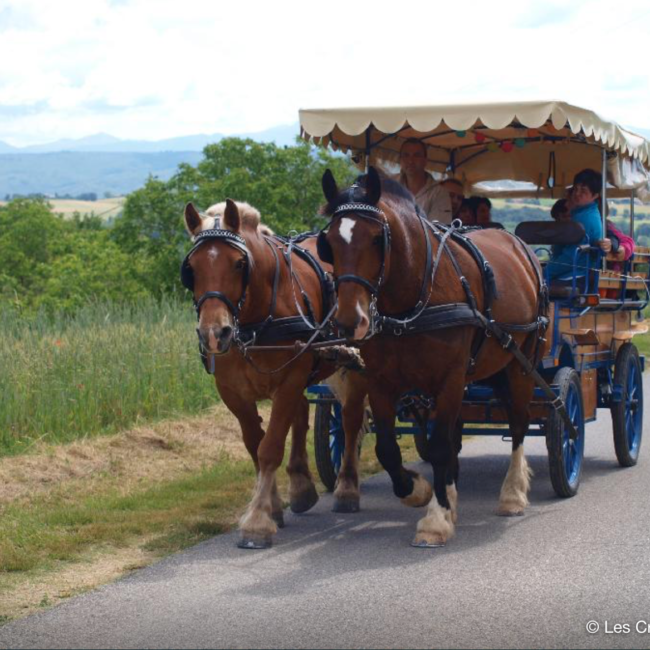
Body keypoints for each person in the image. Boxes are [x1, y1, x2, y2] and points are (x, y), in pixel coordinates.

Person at [546, 168, 603, 281]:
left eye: (583, 191)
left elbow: (571, 257)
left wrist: (545, 272)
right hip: (572, 269)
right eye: (576, 189)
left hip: (576, 272)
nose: (577, 194)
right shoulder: (580, 213)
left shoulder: (585, 218)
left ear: (595, 195)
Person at [393, 139, 452, 223]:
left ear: (425, 160)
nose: (410, 161)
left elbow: (438, 231)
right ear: (400, 159)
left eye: (417, 155)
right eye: (406, 155)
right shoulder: (389, 185)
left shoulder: (439, 193)